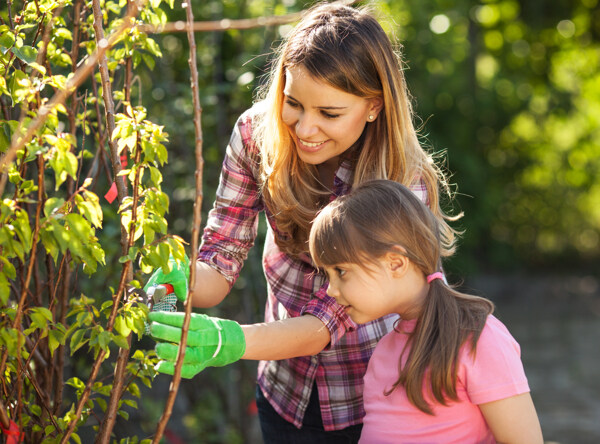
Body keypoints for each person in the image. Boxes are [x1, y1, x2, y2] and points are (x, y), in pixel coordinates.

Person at [146, 2, 457, 442]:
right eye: (293, 104)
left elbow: (332, 316)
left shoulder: (401, 182)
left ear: (373, 107)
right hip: (283, 388)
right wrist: (180, 277)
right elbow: (222, 257)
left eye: (329, 114)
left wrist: (230, 342)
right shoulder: (257, 136)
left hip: (376, 397)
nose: (305, 128)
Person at [308, 179, 544, 444]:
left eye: (341, 272)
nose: (330, 290)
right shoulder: (385, 350)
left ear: (395, 263)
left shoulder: (479, 338)